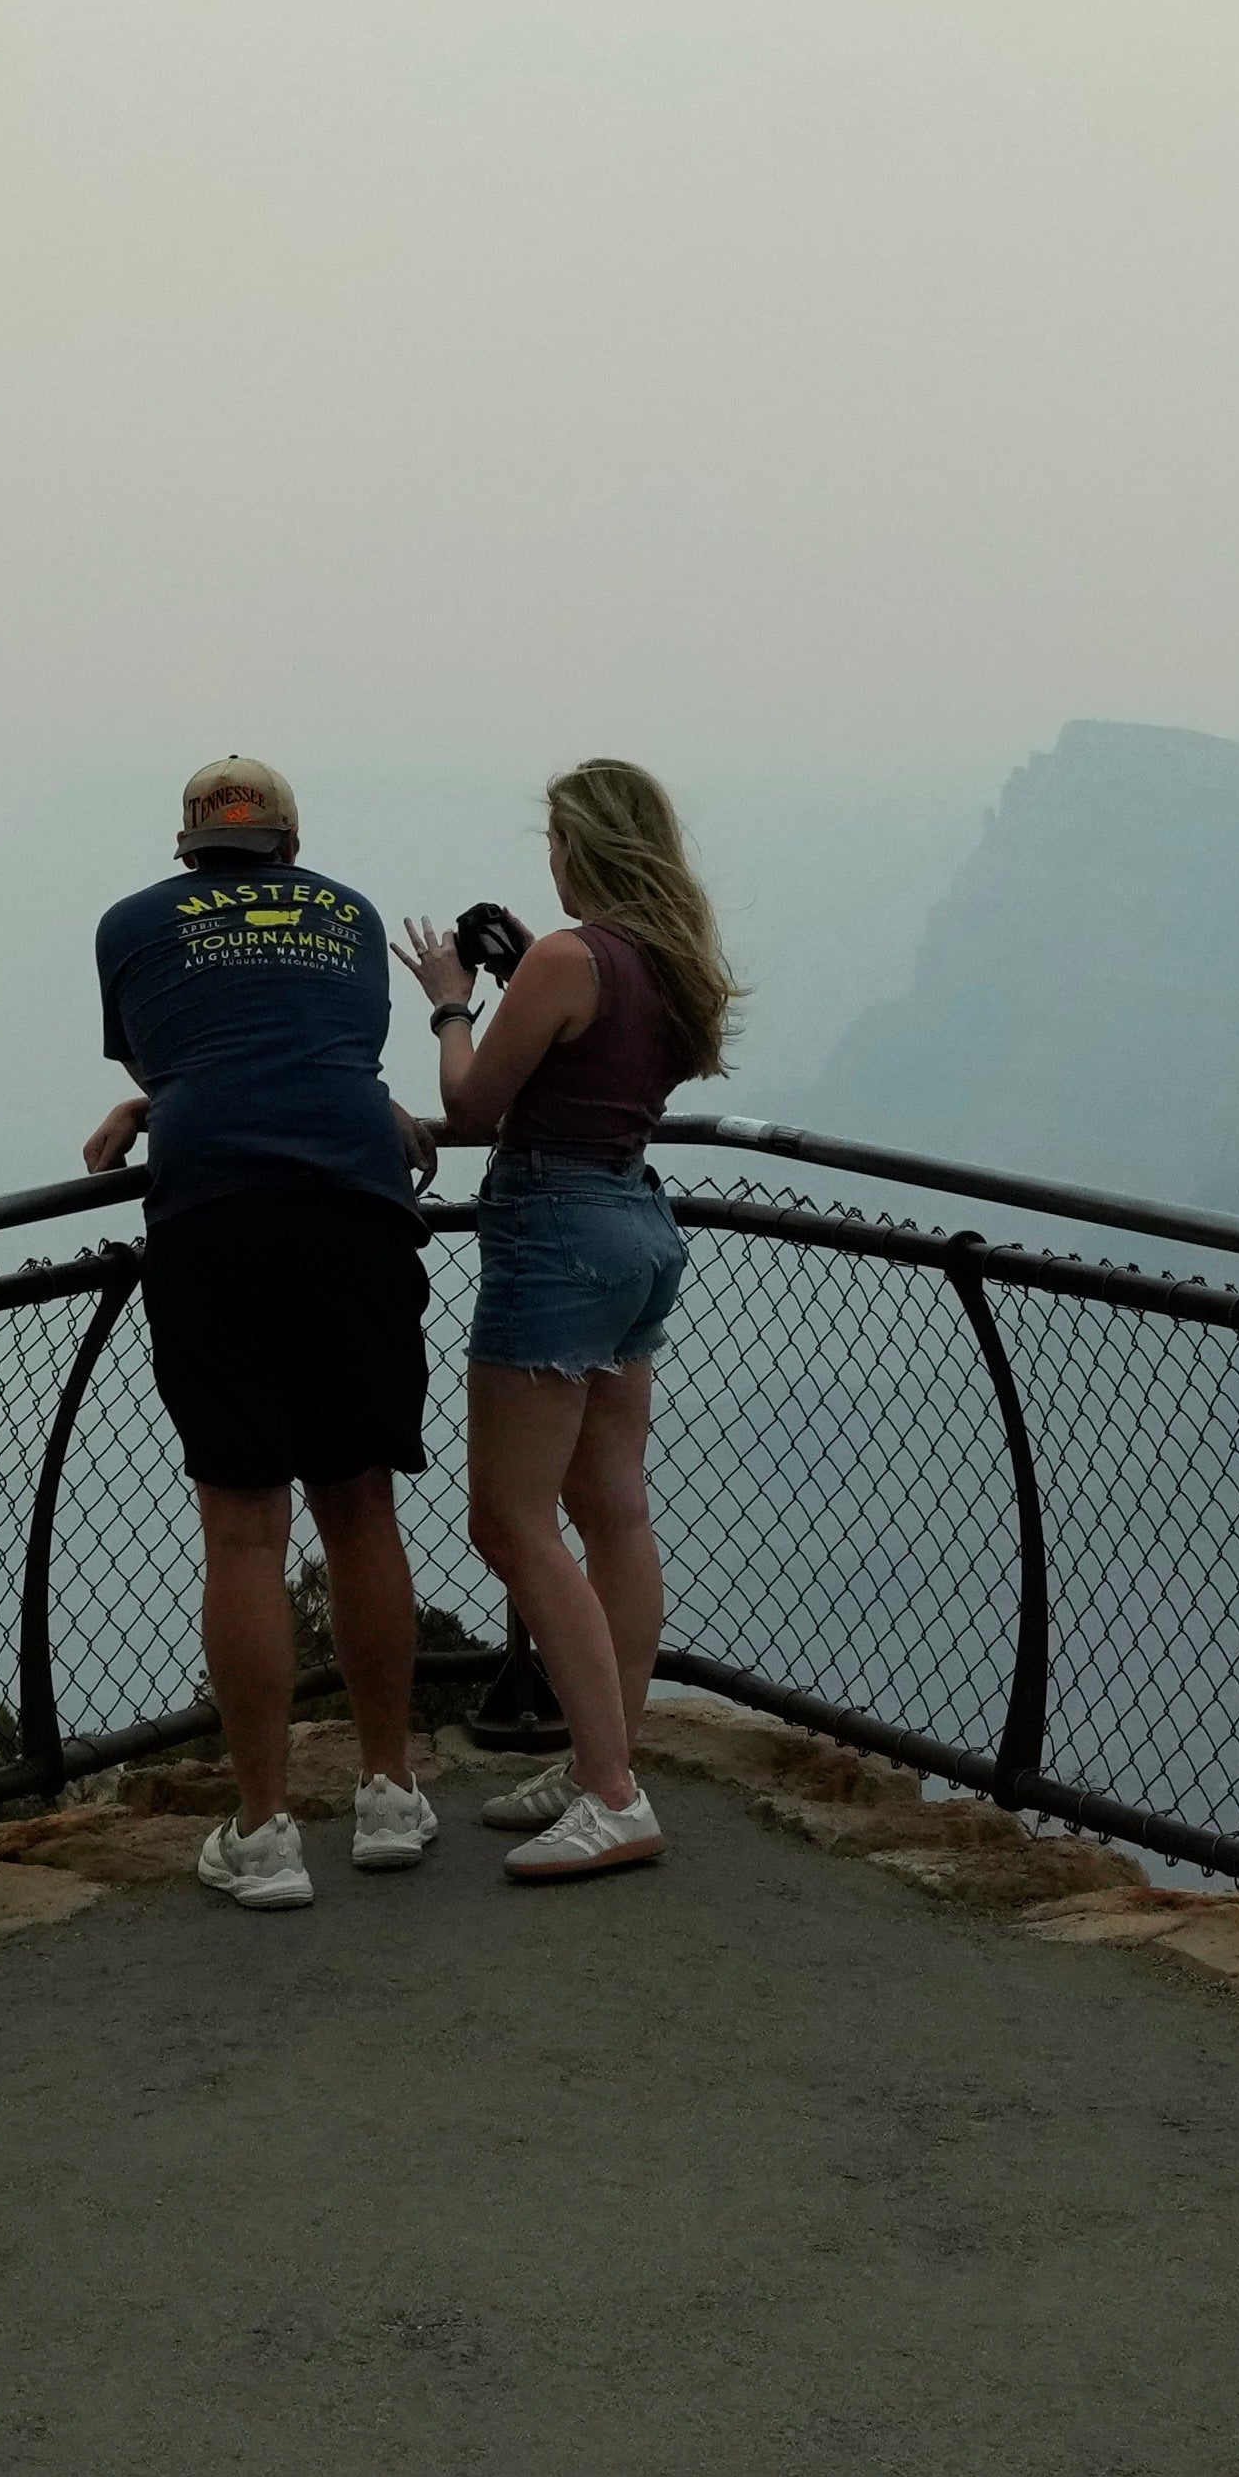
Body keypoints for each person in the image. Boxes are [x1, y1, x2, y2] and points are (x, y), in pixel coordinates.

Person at [83, 753, 445, 1911]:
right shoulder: (343, 914)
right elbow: (330, 1052)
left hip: (216, 1212)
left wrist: (155, 1101)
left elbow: (169, 1055)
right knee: (360, 1502)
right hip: (355, 1202)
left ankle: (264, 1831)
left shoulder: (133, 923)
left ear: (189, 847)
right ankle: (389, 1793)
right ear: (290, 842)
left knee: (243, 1527)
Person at [426, 757, 736, 1886]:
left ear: (581, 848)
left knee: (508, 1522)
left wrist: (454, 998)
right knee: (611, 1510)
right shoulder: (667, 960)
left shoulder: (565, 958)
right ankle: (607, 1760)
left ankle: (610, 1795)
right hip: (636, 1227)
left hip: (555, 1233)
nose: (547, 862)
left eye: (555, 842)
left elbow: (469, 1108)